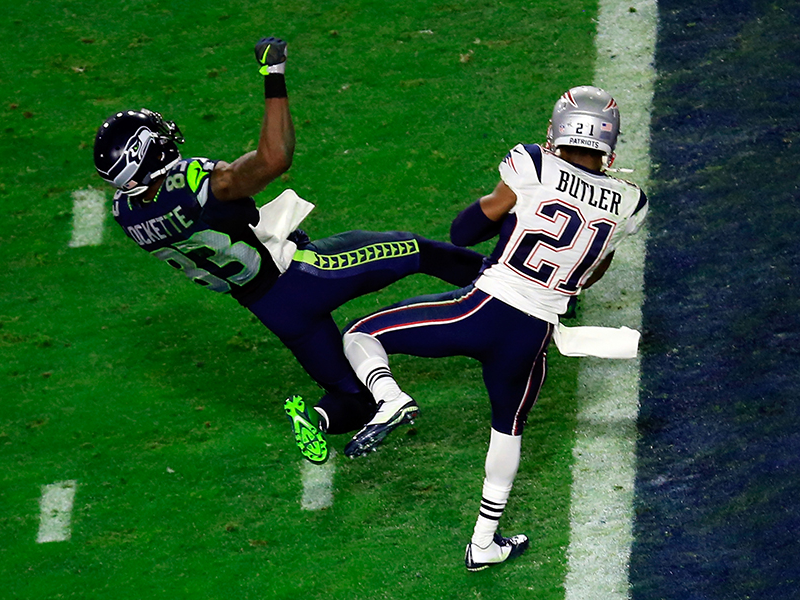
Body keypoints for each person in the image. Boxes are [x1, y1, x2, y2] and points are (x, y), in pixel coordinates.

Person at [91, 37, 485, 464]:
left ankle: (316, 419)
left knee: (351, 395)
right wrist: (273, 76)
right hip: (300, 275)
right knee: (419, 251)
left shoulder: (127, 215)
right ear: (149, 151)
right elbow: (274, 158)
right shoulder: (198, 188)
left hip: (269, 307)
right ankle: (521, 285)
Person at [340, 86, 649, 571]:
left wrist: (511, 218)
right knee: (508, 427)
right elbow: (592, 274)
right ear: (610, 140)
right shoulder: (631, 202)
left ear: (558, 127)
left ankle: (390, 397)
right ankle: (484, 542)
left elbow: (463, 231)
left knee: (361, 333)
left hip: (482, 309)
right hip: (535, 334)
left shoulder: (532, 162)